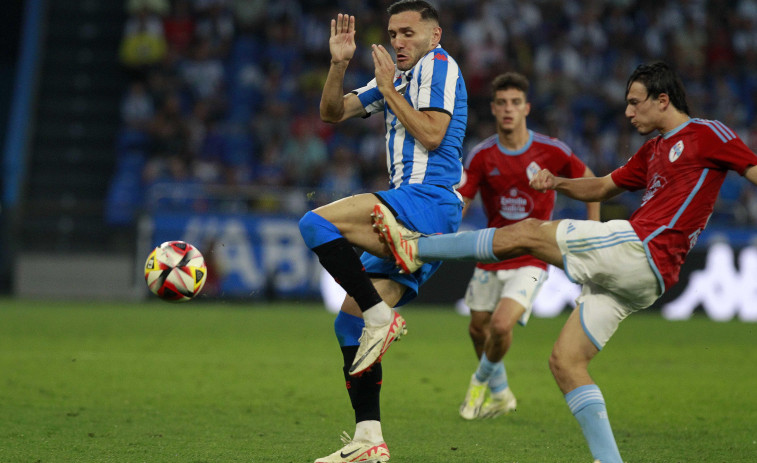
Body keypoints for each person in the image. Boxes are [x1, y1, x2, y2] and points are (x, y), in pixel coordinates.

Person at [373, 61, 757, 463]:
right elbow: (604, 186)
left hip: (641, 247)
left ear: (663, 100)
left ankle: (416, 247)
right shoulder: (653, 149)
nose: (627, 112)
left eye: (634, 103)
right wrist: (557, 182)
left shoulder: (708, 134)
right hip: (645, 280)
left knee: (527, 233)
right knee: (565, 362)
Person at [297, 1, 467, 462]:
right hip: (410, 207)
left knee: (316, 221)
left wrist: (389, 90)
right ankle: (369, 440)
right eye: (393, 34)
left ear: (434, 35)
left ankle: (380, 316)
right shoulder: (397, 78)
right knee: (348, 318)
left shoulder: (440, 67)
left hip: (428, 200)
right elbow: (333, 113)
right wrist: (338, 64)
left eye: (409, 33)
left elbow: (433, 136)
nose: (398, 42)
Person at [455, 72, 600, 421]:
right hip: (492, 254)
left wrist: (592, 229)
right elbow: (463, 199)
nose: (509, 109)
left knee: (501, 327)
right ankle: (502, 395)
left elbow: (591, 180)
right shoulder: (481, 156)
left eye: (515, 103)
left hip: (533, 258)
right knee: (478, 328)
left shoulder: (551, 150)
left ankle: (478, 384)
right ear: (492, 108)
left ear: (526, 108)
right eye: (502, 103)